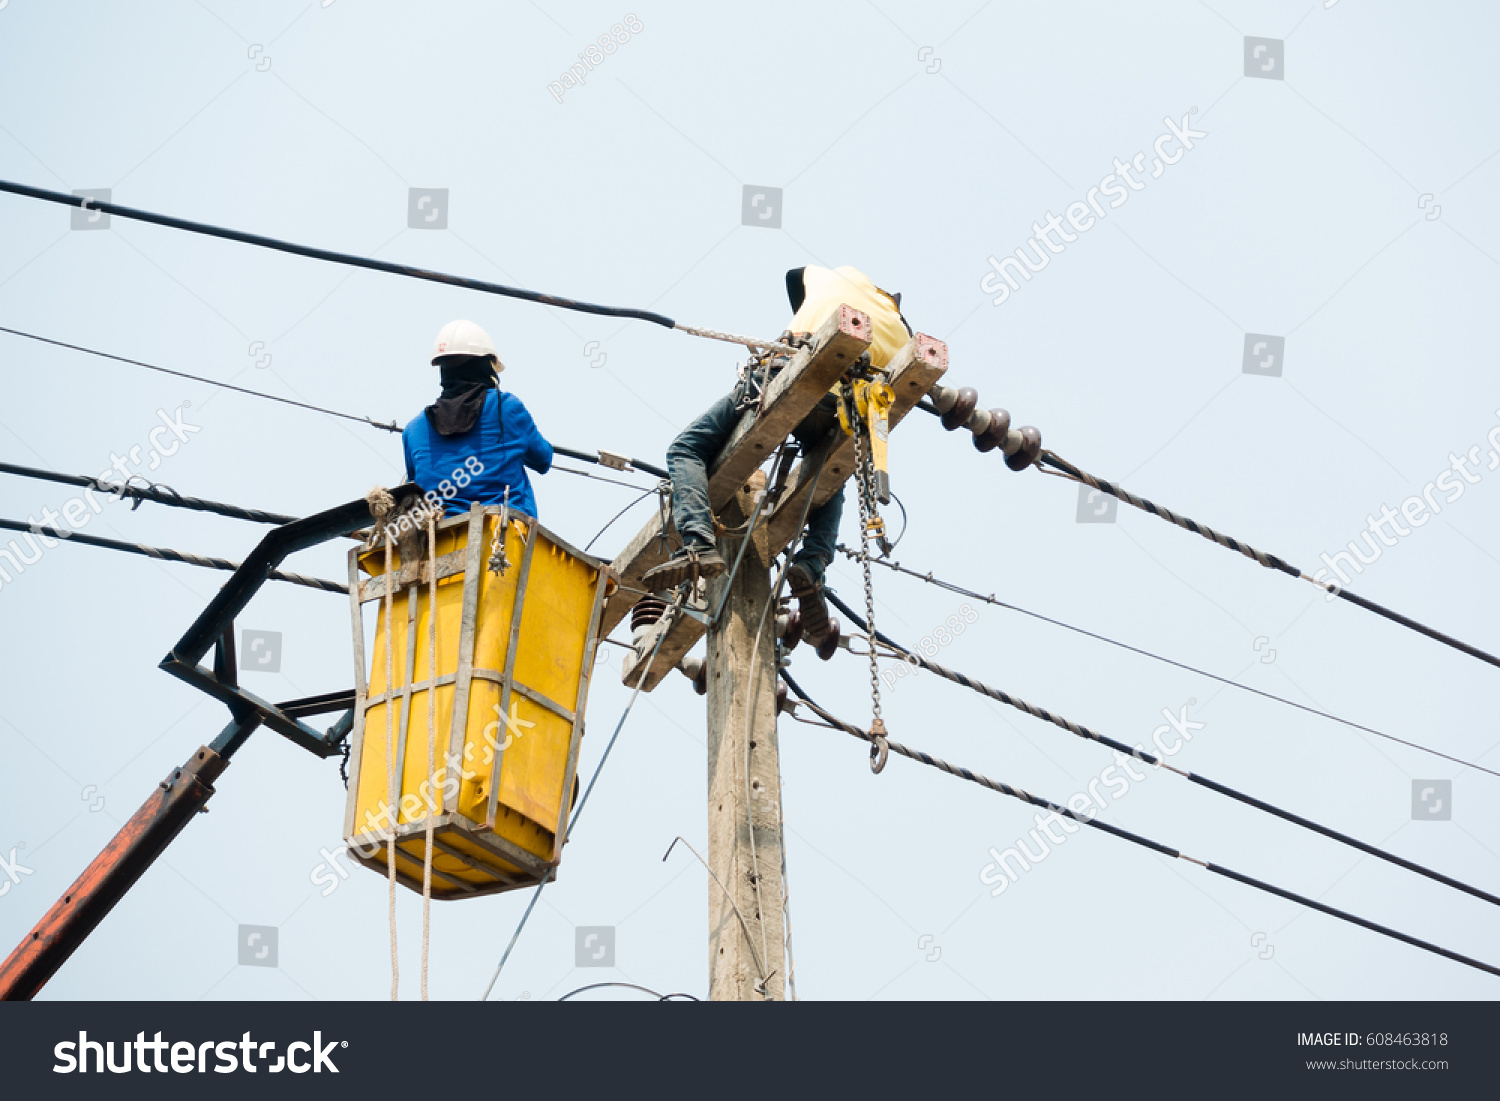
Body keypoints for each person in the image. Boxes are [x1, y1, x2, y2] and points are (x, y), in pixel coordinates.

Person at [643, 266, 911, 642]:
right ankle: (813, 563)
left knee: (686, 449)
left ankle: (698, 545)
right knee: (829, 476)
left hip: (787, 374)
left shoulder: (843, 276)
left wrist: (806, 316)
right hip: (839, 414)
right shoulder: (902, 334)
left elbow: (793, 276)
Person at [402, 319, 553, 519]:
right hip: (504, 535)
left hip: (439, 541)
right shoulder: (506, 408)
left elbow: (416, 484)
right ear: (484, 366)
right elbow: (543, 459)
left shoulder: (413, 430)